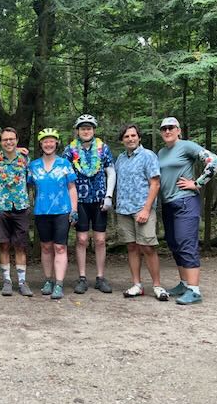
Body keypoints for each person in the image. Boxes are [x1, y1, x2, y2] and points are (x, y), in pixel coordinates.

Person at [158, 117, 217, 305]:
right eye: (164, 129)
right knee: (174, 243)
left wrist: (197, 183)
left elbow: (215, 161)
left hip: (185, 201)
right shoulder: (161, 152)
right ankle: (184, 283)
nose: (167, 131)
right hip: (168, 204)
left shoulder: (186, 146)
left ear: (178, 130)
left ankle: (194, 290)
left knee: (186, 242)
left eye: (171, 128)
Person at [115, 124, 168, 301]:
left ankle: (157, 286)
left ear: (139, 137)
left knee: (147, 246)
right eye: (126, 136)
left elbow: (155, 183)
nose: (130, 139)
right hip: (124, 209)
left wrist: (146, 209)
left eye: (133, 135)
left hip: (142, 208)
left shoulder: (148, 156)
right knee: (131, 246)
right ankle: (137, 284)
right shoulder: (120, 159)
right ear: (122, 140)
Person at [63, 114, 116, 294]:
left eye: (89, 128)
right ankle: (82, 277)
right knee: (82, 239)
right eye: (83, 128)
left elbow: (111, 172)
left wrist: (109, 195)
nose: (86, 131)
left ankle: (101, 277)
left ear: (93, 130)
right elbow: (65, 177)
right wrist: (71, 205)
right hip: (80, 200)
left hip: (100, 199)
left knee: (100, 240)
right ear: (78, 131)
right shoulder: (70, 150)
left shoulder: (103, 149)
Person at [28, 128, 78, 300]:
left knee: (60, 247)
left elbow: (72, 188)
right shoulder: (33, 165)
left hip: (62, 211)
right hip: (42, 211)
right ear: (41, 144)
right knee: (46, 247)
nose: (48, 144)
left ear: (56, 143)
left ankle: (59, 283)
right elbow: (27, 187)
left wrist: (75, 209)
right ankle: (48, 280)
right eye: (45, 141)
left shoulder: (64, 164)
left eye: (52, 141)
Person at [0, 127, 33, 297]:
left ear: (16, 141)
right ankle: (7, 281)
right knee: (3, 244)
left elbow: (30, 180)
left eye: (11, 139)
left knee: (21, 246)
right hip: (2, 207)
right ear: (0, 142)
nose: (8, 142)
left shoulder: (25, 159)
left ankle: (22, 282)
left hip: (21, 207)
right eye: (5, 140)